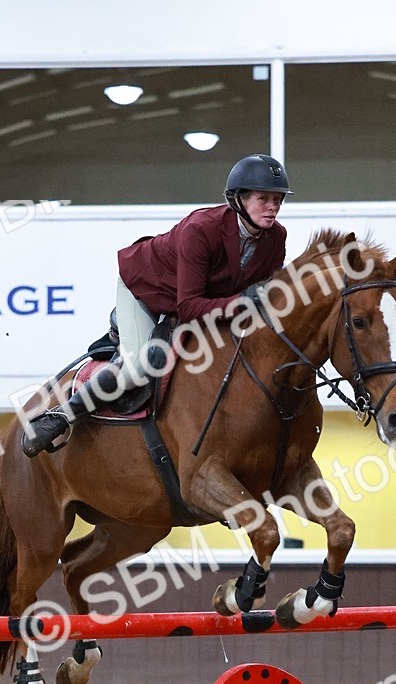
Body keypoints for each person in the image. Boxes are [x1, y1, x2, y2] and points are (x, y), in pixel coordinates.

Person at [21, 153, 291, 457]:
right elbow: (189, 308)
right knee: (137, 367)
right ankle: (62, 415)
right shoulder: (201, 228)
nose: (273, 207)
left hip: (201, 297)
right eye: (263, 199)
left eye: (278, 199)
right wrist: (242, 302)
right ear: (238, 199)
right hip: (146, 287)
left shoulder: (276, 237)